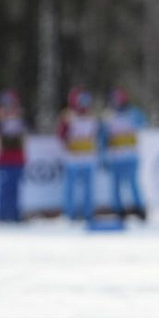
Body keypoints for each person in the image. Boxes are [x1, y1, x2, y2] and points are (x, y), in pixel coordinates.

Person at [100, 87, 147, 220]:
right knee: (116, 185)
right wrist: (103, 156)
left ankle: (139, 208)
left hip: (131, 155)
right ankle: (119, 210)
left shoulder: (133, 113)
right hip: (115, 157)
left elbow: (144, 122)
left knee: (133, 183)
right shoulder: (108, 116)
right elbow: (103, 138)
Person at [57, 86, 98, 222]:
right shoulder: (68, 116)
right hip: (72, 158)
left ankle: (88, 212)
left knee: (88, 188)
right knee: (70, 187)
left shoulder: (92, 116)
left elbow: (96, 134)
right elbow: (61, 135)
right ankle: (70, 213)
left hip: (88, 157)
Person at [0, 89, 28, 222]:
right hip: (4, 159)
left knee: (15, 189)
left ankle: (15, 214)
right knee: (4, 189)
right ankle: (2, 215)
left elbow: (24, 138)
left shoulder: (21, 118)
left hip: (17, 158)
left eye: (13, 103)